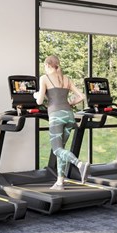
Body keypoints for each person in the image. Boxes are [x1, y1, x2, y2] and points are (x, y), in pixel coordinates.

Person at [33, 55, 88, 190]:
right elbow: (81, 96)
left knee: (57, 150)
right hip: (69, 116)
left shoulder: (44, 78)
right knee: (61, 149)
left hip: (56, 117)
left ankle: (80, 164)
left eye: (44, 66)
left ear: (47, 65)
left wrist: (35, 95)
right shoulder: (66, 79)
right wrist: (69, 103)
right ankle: (60, 182)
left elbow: (39, 101)